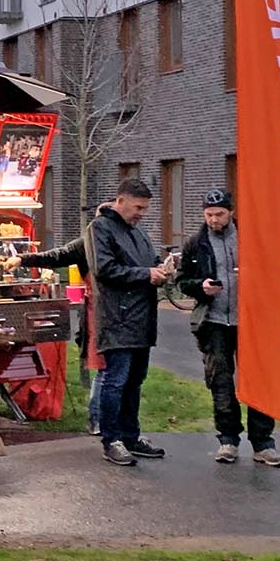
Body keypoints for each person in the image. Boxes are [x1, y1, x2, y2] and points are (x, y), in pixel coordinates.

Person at [177, 190, 280, 468]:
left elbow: (275, 271)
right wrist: (201, 287)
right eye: (209, 215)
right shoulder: (195, 244)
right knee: (220, 380)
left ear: (231, 212)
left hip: (251, 321)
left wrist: (254, 276)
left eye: (219, 214)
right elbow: (182, 281)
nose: (214, 220)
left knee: (258, 381)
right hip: (213, 322)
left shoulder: (251, 238)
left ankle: (263, 443)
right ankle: (228, 440)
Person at [82, 179, 169, 466]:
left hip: (142, 318)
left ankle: (130, 435)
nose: (141, 213)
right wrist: (146, 275)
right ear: (121, 201)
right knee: (114, 381)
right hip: (117, 317)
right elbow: (105, 269)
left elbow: (147, 261)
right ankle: (112, 439)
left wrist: (162, 268)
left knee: (134, 381)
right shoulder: (99, 229)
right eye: (138, 207)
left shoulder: (137, 232)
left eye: (145, 208)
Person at [7, 230, 94, 433]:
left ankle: (101, 419)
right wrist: (22, 259)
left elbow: (56, 256)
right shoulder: (88, 243)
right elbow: (56, 256)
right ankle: (98, 420)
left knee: (112, 371)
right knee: (109, 372)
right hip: (103, 314)